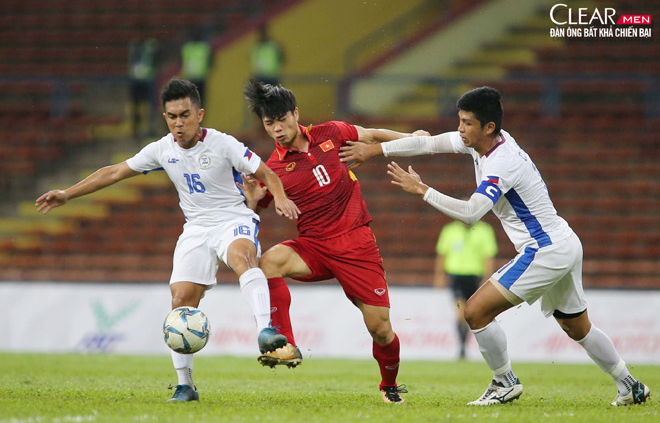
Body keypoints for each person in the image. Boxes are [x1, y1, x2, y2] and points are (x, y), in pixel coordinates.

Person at [338, 86, 651, 407]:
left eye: (467, 123)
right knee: (577, 326)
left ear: (489, 127)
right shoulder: (483, 142)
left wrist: (422, 190)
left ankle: (504, 382)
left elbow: (472, 213)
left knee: (474, 312)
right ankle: (630, 385)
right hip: (563, 242)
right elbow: (429, 142)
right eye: (459, 121)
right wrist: (375, 151)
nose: (460, 129)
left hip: (545, 249)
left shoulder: (503, 162)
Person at [35, 78, 300, 403]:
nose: (179, 122)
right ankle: (185, 385)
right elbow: (114, 172)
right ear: (165, 117)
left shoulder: (222, 143)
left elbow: (267, 173)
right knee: (180, 302)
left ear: (199, 114)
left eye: (185, 114)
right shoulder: (161, 149)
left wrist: (280, 196)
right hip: (196, 228)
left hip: (233, 218)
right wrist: (67, 193)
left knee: (242, 257)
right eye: (172, 116)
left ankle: (265, 329)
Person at [243, 79, 427, 404]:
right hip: (314, 246)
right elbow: (255, 208)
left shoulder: (331, 132)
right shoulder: (272, 169)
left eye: (282, 119)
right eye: (269, 123)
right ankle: (285, 343)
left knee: (381, 329)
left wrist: (409, 138)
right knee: (269, 261)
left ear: (295, 113)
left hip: (356, 243)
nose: (277, 129)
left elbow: (371, 134)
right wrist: (252, 199)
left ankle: (389, 385)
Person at [435, 218, 497, 359]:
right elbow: (442, 254)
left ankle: (465, 345)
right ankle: (462, 346)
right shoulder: (449, 230)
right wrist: (439, 276)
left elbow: (488, 257)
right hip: (456, 276)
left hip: (475, 276)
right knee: (461, 312)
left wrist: (487, 277)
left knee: (472, 313)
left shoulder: (485, 230)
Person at [128, 37, 159, 139]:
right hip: (139, 81)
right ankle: (137, 129)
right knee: (137, 107)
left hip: (146, 81)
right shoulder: (137, 50)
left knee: (149, 106)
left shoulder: (148, 49)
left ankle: (148, 128)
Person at [181, 30, 212, 102]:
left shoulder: (188, 48)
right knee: (197, 99)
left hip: (196, 77)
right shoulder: (203, 47)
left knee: (196, 99)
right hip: (196, 77)